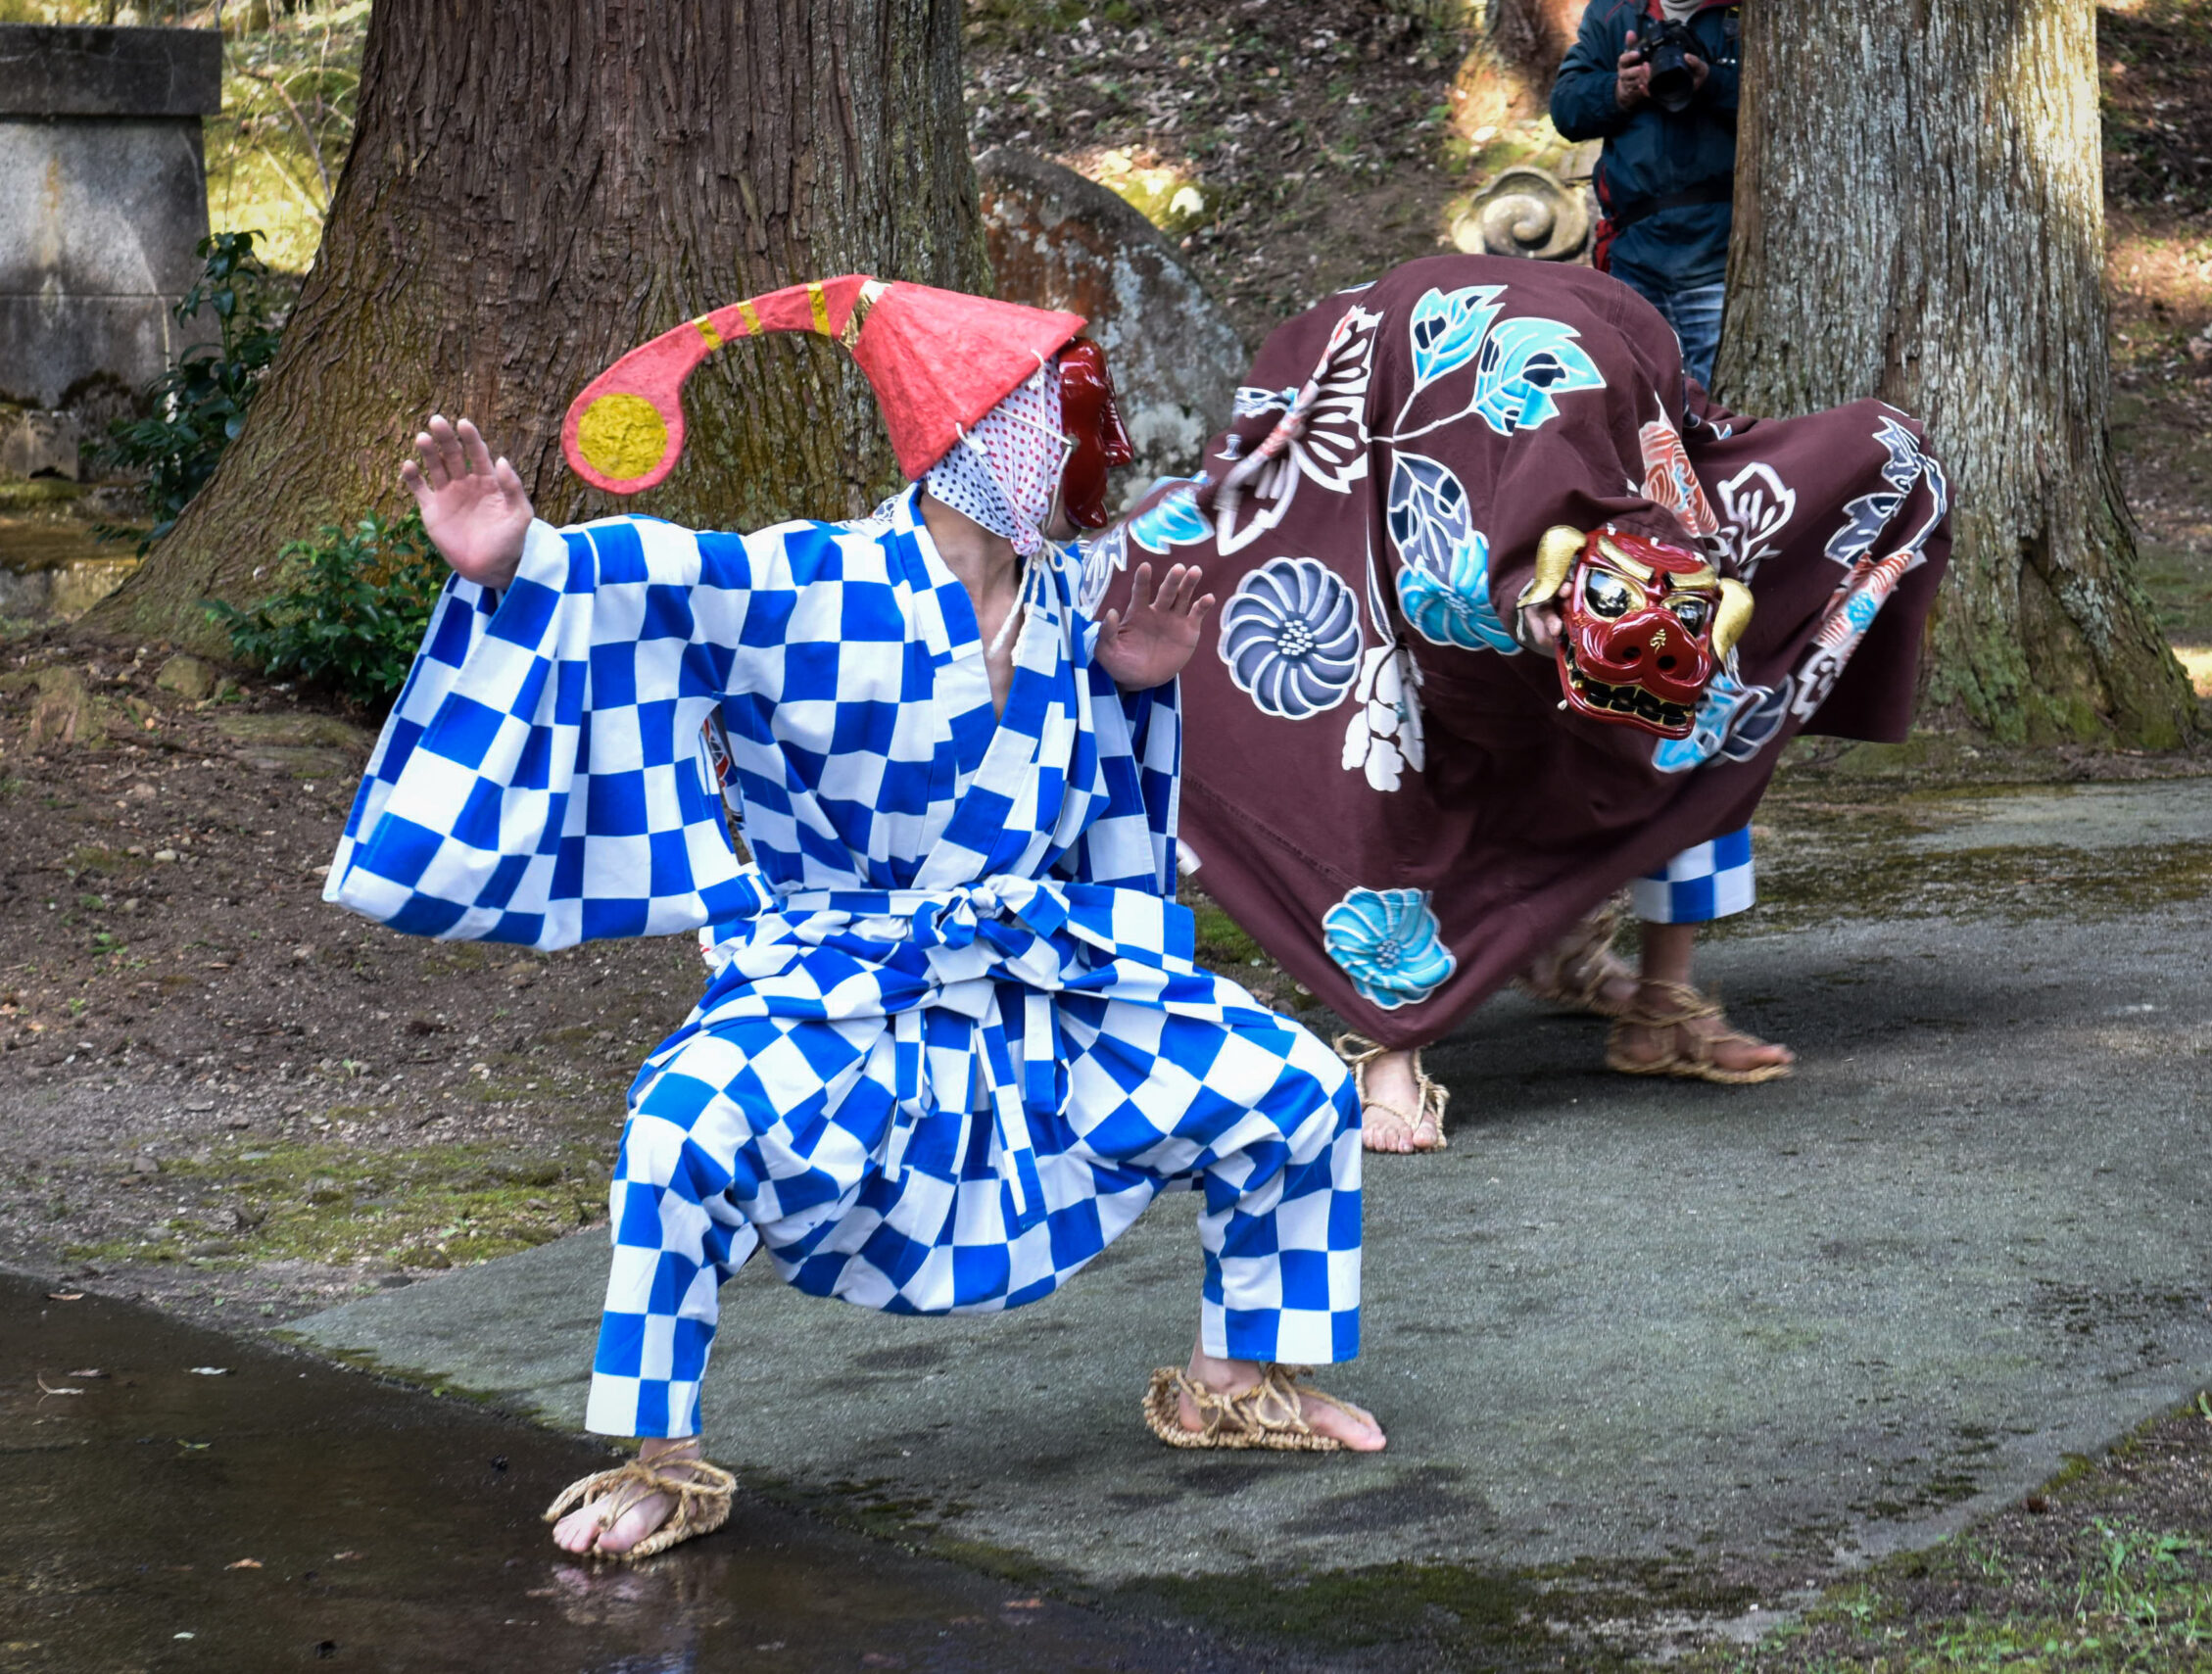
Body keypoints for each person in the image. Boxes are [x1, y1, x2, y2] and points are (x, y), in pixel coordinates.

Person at [327, 276, 1382, 1563]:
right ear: (957, 432)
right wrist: (524, 557)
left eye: (1066, 413)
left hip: (1040, 982)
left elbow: (1207, 518)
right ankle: (659, 1457)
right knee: (681, 1133)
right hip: (840, 984)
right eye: (1036, 414)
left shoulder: (1065, 591)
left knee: (1300, 1091)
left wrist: (1126, 682)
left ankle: (1236, 1380)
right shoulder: (810, 581)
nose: (1062, 441)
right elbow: (669, 576)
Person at [1095, 255, 1949, 1152]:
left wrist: (1630, 590)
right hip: (1398, 541)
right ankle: (1388, 1039)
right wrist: (1515, 594)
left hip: (1611, 554)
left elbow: (1684, 443)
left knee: (1713, 686)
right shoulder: (1367, 382)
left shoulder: (1619, 358)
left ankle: (1660, 998)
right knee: (1364, 726)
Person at [1550, 0, 1742, 388]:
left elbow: (1786, 107)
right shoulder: (1613, 12)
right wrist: (1619, 90)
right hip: (1635, 261)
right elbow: (1566, 109)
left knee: (1723, 414)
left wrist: (1712, 83)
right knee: (1643, 412)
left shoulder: (1744, 15)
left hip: (1722, 260)